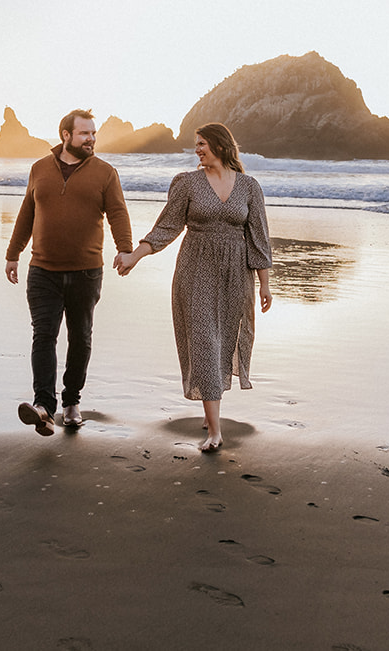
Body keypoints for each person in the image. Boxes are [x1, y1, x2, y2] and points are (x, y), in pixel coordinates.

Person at [114, 122, 271, 452]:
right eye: (196, 145)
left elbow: (259, 240)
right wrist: (135, 256)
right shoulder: (187, 184)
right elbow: (165, 228)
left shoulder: (249, 187)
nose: (197, 150)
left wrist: (264, 286)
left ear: (221, 146)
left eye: (202, 144)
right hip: (195, 271)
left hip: (235, 275)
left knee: (224, 340)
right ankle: (214, 431)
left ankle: (210, 407)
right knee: (203, 341)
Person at [6, 109, 133, 436]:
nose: (91, 139)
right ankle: (44, 407)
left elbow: (118, 212)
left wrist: (125, 248)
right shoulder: (39, 169)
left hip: (86, 272)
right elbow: (26, 214)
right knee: (44, 335)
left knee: (80, 338)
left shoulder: (105, 173)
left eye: (93, 134)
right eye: (85, 134)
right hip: (42, 270)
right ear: (66, 135)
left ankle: (71, 401)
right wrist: (12, 254)